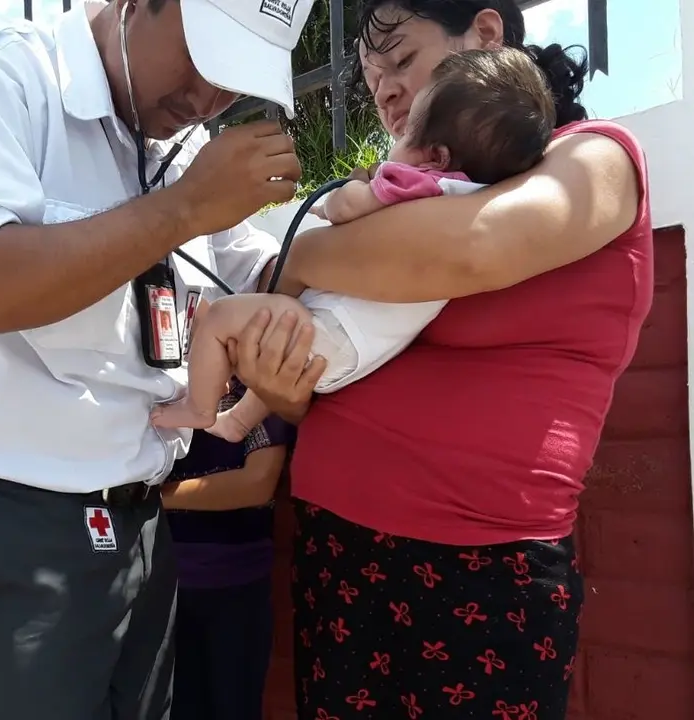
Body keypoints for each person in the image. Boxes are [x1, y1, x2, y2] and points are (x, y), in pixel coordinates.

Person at [226, 2, 653, 719]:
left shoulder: (595, 157)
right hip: (340, 551)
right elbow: (324, 371)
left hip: (484, 568)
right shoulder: (400, 189)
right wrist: (286, 390)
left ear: (485, 33)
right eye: (371, 76)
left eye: (402, 60)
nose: (385, 90)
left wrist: (302, 253)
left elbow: (467, 249)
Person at [0, 0, 316, 717]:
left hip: (143, 527)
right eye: (205, 58)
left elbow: (266, 272)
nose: (209, 97)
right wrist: (179, 210)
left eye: (235, 80)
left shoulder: (181, 145)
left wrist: (390, 209)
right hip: (13, 526)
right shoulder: (2, 75)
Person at [152, 46, 555, 441]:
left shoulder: (416, 181)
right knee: (274, 332)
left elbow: (345, 207)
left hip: (330, 329)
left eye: (411, 128)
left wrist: (344, 195)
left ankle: (199, 409)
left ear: (436, 156)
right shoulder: (470, 196)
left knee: (221, 317)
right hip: (359, 352)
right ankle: (239, 421)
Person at [161, 380, 291, 720]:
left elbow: (256, 484)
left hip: (236, 584)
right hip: (159, 585)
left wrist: (150, 499)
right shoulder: (163, 384)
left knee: (233, 705)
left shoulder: (259, 389)